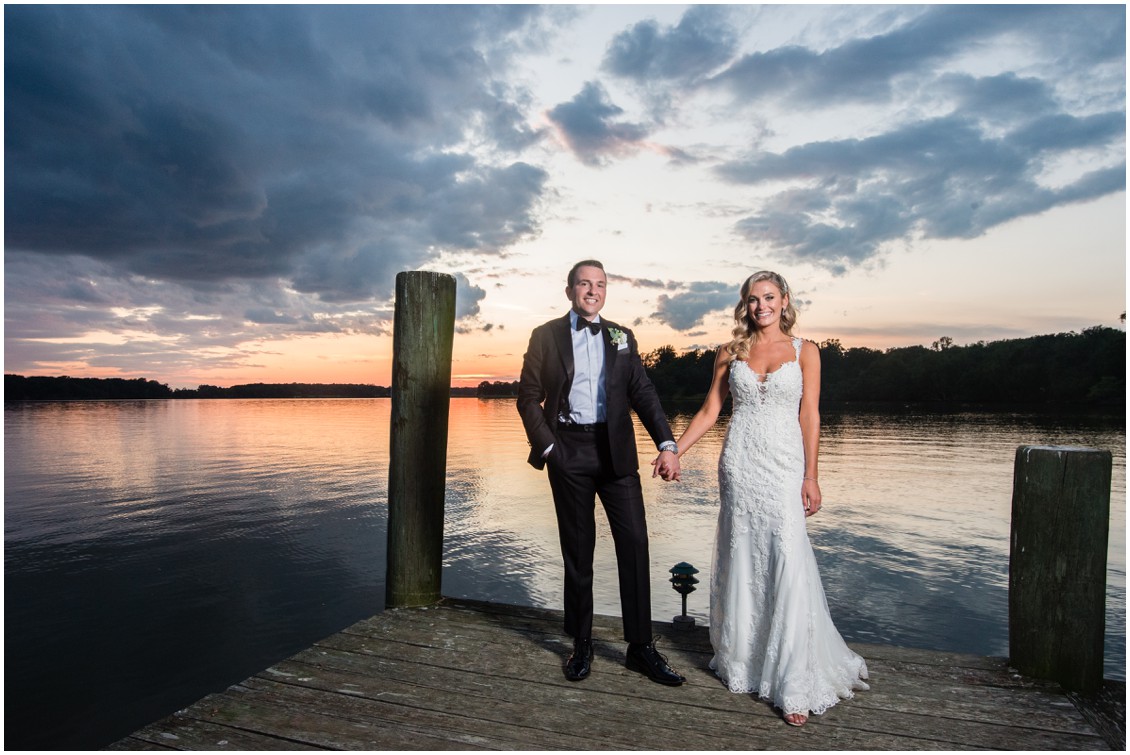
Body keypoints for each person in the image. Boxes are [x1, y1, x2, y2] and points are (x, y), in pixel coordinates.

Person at [654, 270, 868, 725]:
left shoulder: (805, 351)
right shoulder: (729, 352)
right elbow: (712, 410)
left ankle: (793, 681)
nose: (761, 306)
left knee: (787, 557)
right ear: (744, 305)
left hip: (785, 468)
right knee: (745, 557)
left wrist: (812, 476)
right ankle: (746, 661)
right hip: (740, 466)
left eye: (769, 297)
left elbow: (810, 415)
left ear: (785, 300)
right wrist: (674, 449)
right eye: (752, 300)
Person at [517, 259, 685, 686]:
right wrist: (550, 448)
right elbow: (528, 397)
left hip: (617, 455)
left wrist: (668, 443)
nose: (593, 291)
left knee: (634, 542)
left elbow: (642, 392)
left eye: (600, 285)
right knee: (579, 551)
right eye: (585, 284)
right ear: (570, 289)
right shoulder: (545, 336)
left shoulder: (622, 336)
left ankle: (640, 647)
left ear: (606, 291)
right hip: (567, 451)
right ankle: (582, 642)